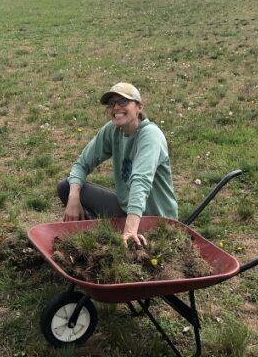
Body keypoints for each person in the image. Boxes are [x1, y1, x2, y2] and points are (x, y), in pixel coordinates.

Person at [58, 82, 178, 247]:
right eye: (111, 104)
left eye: (123, 102)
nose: (116, 107)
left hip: (156, 219)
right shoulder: (113, 131)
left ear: (139, 107)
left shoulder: (150, 135)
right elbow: (82, 164)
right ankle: (97, 242)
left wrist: (130, 230)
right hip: (126, 210)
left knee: (137, 228)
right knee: (66, 187)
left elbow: (140, 181)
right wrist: (73, 199)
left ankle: (130, 238)